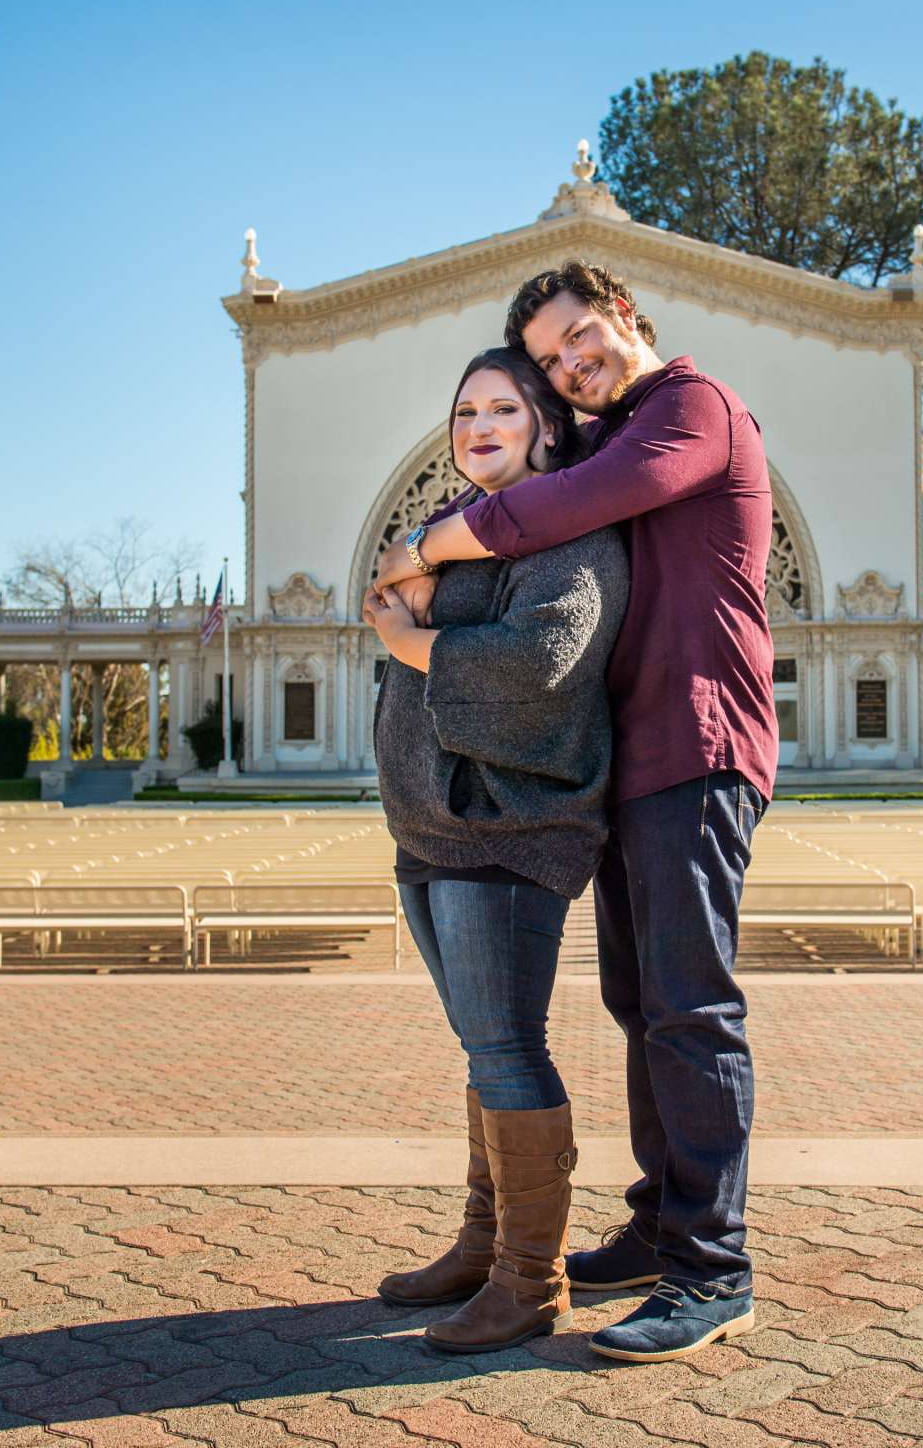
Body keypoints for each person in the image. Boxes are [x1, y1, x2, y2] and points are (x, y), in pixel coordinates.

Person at [372, 262, 776, 1363]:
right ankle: (659, 1223)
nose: (569, 365)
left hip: (697, 745)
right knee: (641, 1002)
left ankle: (713, 1265)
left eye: (578, 339)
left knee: (691, 1008)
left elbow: (561, 507)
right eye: (549, 360)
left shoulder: (692, 408)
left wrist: (430, 546)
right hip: (635, 760)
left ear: (628, 316)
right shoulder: (611, 432)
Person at [363, 346, 629, 1355]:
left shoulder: (570, 532)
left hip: (507, 830)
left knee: (509, 1048)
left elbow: (544, 657)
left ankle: (531, 1278)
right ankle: (483, 1242)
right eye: (464, 409)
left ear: (546, 427)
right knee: (484, 1048)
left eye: (503, 409)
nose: (478, 426)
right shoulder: (453, 535)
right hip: (429, 829)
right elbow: (387, 597)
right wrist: (419, 597)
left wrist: (416, 639)